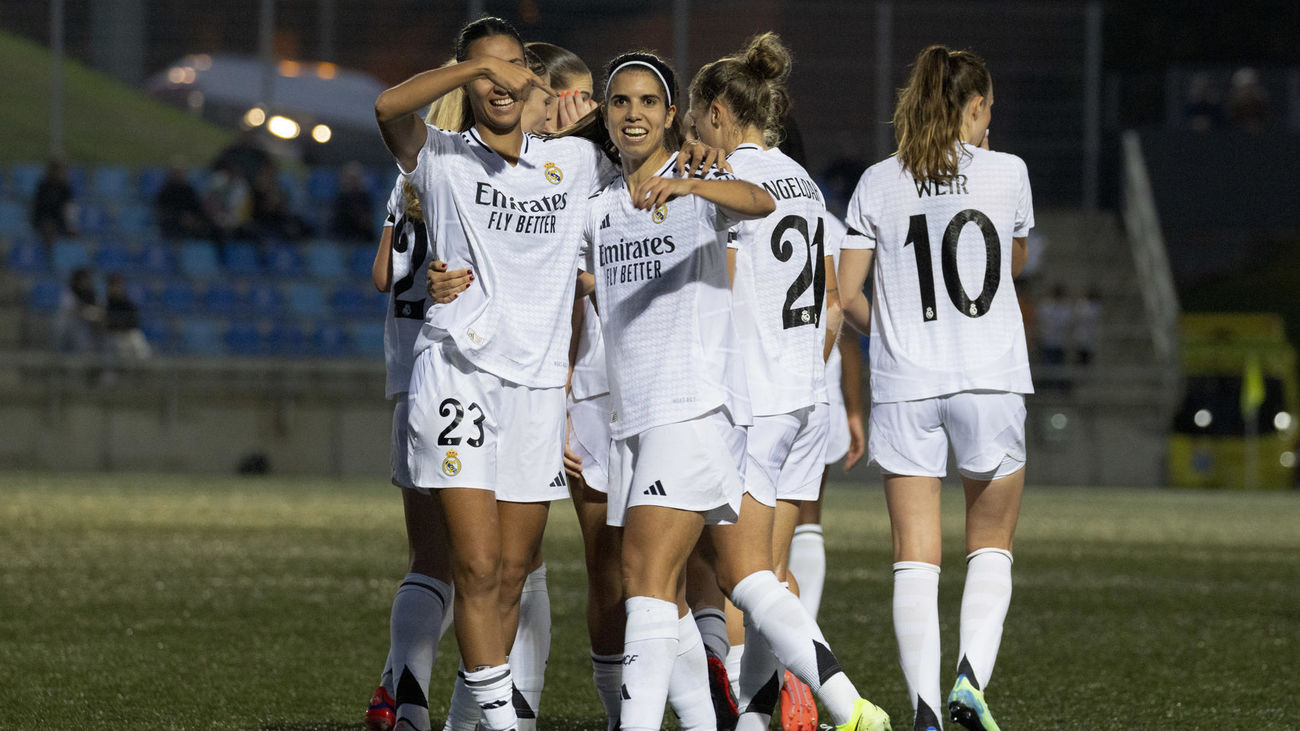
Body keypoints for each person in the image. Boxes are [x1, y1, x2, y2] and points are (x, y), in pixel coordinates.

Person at [575, 50, 888, 731]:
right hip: (756, 394)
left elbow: (753, 210)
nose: (635, 115)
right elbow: (830, 298)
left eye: (654, 104)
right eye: (619, 103)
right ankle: (839, 706)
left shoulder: (711, 174)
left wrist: (692, 186)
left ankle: (723, 715)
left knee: (660, 577)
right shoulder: (603, 201)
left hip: (715, 399)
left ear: (690, 116)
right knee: (739, 573)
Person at [837, 44, 1034, 731]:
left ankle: (923, 708)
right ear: (976, 107)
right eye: (986, 112)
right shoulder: (1008, 171)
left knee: (914, 553)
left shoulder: (877, 181)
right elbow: (1010, 262)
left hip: (907, 383)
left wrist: (889, 330)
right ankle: (970, 680)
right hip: (990, 379)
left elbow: (846, 292)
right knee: (992, 540)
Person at [682, 33, 863, 731]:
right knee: (767, 571)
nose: (693, 131)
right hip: (801, 397)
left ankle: (844, 702)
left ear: (721, 112)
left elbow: (719, 292)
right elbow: (830, 304)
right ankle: (758, 716)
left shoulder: (732, 188)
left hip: (752, 398)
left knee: (739, 575)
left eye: (698, 116)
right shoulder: (805, 182)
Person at [363, 79, 464, 731]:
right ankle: (414, 697)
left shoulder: (404, 190)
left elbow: (379, 277)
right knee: (474, 565)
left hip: (405, 381)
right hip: (453, 376)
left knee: (427, 559)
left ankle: (393, 689)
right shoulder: (462, 182)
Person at [155, 162, 213, 240]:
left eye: (182, 173)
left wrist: (194, 219)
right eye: (177, 173)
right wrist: (180, 217)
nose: (180, 175)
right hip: (173, 224)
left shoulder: (189, 190)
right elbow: (162, 210)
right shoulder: (166, 191)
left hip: (191, 223)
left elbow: (197, 207)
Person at [53, 267, 101, 353]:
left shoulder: (92, 294)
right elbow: (70, 310)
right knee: (64, 324)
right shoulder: (69, 292)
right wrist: (85, 312)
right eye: (84, 279)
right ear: (77, 280)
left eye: (88, 279)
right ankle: (56, 353)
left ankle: (91, 354)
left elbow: (96, 311)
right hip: (69, 323)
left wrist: (91, 314)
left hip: (85, 325)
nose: (87, 282)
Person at [103, 274, 151, 360]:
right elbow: (106, 322)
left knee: (136, 338)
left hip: (128, 333)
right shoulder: (106, 303)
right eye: (113, 285)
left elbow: (135, 322)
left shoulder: (128, 303)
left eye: (119, 285)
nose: (116, 288)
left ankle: (145, 368)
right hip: (113, 335)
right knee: (118, 344)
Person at [32, 157, 77, 247]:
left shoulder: (65, 188)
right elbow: (38, 207)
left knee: (71, 234)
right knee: (49, 228)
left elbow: (69, 207)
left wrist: (70, 225)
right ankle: (49, 254)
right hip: (43, 220)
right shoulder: (43, 186)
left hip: (60, 221)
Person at [333, 162, 378, 242]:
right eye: (349, 178)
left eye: (355, 178)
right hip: (343, 237)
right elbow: (338, 223)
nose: (352, 181)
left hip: (363, 237)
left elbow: (368, 222)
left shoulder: (365, 198)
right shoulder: (339, 199)